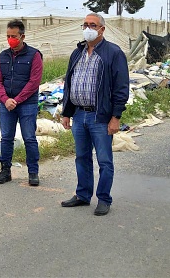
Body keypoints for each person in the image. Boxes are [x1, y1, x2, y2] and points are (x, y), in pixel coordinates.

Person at [61, 12, 129, 216]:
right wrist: (67, 112)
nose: (88, 28)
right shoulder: (78, 52)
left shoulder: (113, 53)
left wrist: (116, 117)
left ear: (102, 29)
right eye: (85, 25)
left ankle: (104, 199)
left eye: (93, 25)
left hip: (100, 116)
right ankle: (82, 195)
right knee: (81, 158)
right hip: (79, 115)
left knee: (104, 160)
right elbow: (69, 83)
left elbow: (121, 87)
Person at [0, 19, 43, 186]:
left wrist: (17, 100)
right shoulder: (3, 56)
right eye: (8, 36)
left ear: (22, 36)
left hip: (27, 104)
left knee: (29, 137)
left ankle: (33, 172)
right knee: (6, 137)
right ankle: (5, 170)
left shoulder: (34, 55)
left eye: (13, 36)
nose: (10, 39)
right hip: (7, 104)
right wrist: (6, 100)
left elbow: (34, 82)